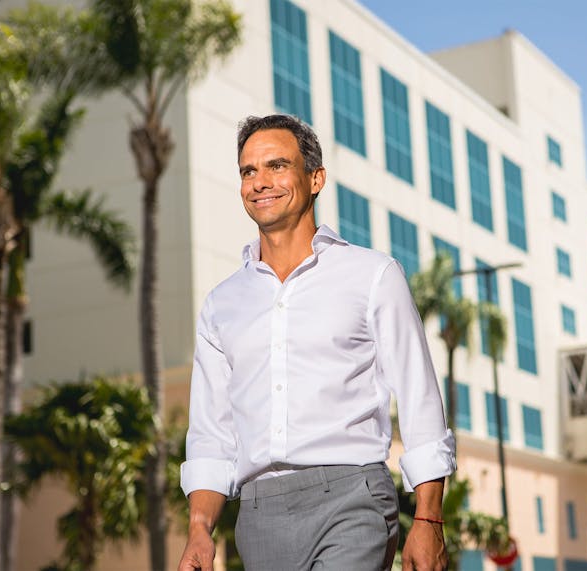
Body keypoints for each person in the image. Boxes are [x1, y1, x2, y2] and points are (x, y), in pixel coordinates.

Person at [177, 114, 456, 571]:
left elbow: (420, 400)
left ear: (315, 178)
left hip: (352, 499)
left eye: (276, 166)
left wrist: (428, 519)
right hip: (259, 514)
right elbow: (211, 433)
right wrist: (199, 530)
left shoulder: (372, 276)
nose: (260, 182)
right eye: (249, 171)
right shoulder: (221, 304)